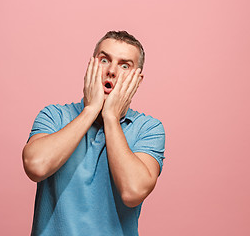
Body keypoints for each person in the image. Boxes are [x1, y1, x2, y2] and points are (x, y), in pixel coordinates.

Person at [22, 31, 166, 236]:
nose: (112, 71)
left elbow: (133, 191)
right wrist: (90, 110)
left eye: (125, 65)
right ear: (90, 66)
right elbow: (36, 166)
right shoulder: (54, 116)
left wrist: (111, 118)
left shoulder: (148, 128)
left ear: (138, 80)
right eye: (104, 60)